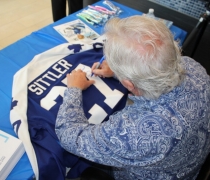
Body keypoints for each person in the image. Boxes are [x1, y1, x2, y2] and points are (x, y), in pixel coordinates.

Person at [55, 15, 210, 180]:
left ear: (128, 84)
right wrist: (121, 72)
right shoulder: (194, 68)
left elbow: (70, 136)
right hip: (189, 166)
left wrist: (73, 89)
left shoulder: (136, 131)